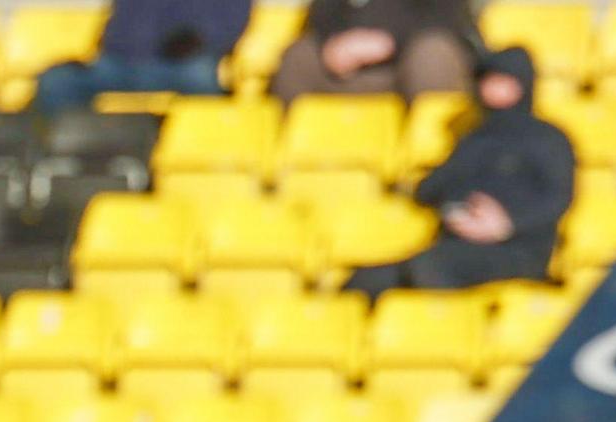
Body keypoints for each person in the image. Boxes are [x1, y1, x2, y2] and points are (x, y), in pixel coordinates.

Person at [344, 48, 568, 297]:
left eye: (504, 83)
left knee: (432, 265)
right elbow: (434, 188)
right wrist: (457, 211)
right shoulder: (473, 140)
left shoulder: (547, 139)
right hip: (459, 242)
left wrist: (507, 224)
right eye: (489, 82)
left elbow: (558, 197)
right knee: (362, 281)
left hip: (519, 251)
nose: (494, 91)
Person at [36, 0, 248, 107]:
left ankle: (193, 163)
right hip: (120, 64)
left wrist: (199, 41)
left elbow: (230, 23)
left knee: (201, 78)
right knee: (57, 81)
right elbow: (116, 27)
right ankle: (68, 162)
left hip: (179, 66)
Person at [269, 0, 478, 96]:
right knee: (299, 56)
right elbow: (320, 19)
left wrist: (388, 42)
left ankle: (432, 152)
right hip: (346, 74)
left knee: (433, 55)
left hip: (406, 69)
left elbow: (450, 21)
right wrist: (331, 46)